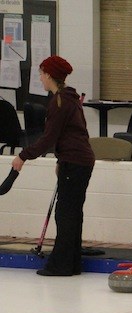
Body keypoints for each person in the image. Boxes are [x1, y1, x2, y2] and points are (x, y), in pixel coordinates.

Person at [12, 55, 95, 276]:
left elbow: (49, 138)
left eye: (41, 74)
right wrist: (61, 160)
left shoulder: (60, 102)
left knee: (65, 213)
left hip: (76, 161)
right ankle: (72, 263)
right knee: (72, 213)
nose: (40, 78)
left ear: (49, 75)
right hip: (77, 161)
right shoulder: (69, 98)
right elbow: (72, 134)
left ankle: (62, 265)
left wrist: (23, 156)